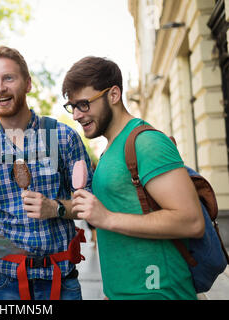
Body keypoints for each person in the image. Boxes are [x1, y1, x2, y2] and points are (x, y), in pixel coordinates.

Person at [63, 56, 205, 300]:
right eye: (72, 106)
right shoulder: (110, 149)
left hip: (158, 293)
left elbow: (191, 221)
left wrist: (106, 218)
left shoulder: (146, 141)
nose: (76, 115)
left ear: (114, 95)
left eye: (84, 104)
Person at [0, 46, 94, 300]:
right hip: (6, 283)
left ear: (28, 83)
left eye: (9, 78)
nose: (0, 88)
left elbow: (91, 204)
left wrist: (56, 208)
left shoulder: (63, 137)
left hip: (61, 278)